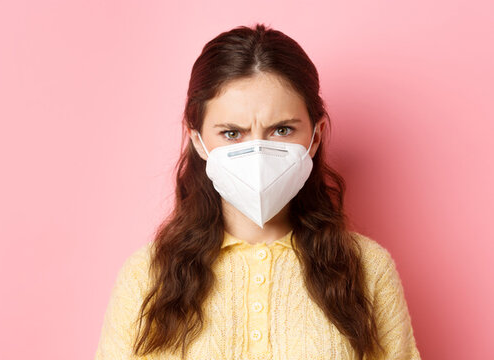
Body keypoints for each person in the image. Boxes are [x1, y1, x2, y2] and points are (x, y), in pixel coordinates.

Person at [94, 23, 421, 360]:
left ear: (316, 135)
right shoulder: (146, 277)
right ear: (199, 142)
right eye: (232, 133)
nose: (257, 153)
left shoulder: (367, 268)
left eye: (281, 129)